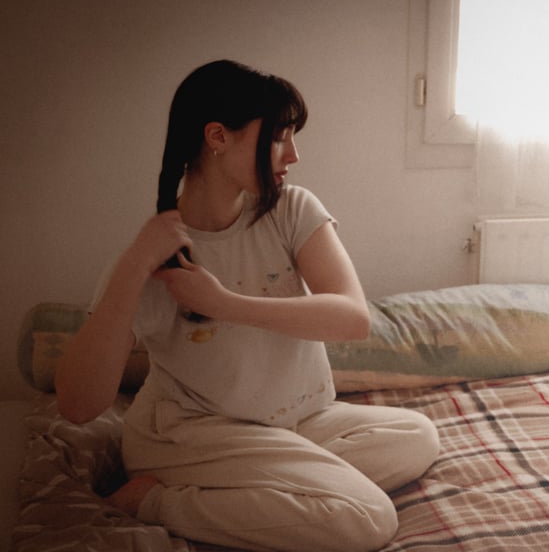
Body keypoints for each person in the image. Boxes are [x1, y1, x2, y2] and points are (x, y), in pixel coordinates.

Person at [55, 59, 440, 552]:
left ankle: (266, 484)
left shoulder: (291, 209)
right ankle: (153, 500)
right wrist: (133, 266)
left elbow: (352, 318)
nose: (294, 154)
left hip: (296, 421)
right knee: (369, 518)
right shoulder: (157, 255)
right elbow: (78, 404)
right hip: (196, 435)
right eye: (278, 137)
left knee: (417, 436)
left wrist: (224, 303)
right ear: (218, 136)